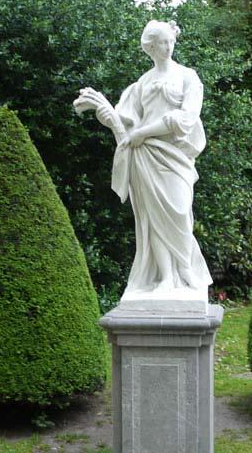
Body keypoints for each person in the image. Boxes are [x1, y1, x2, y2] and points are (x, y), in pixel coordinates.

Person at [74, 20, 212, 294]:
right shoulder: (141, 84)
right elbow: (127, 129)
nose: (168, 46)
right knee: (152, 218)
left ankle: (185, 271)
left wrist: (144, 133)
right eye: (161, 42)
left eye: (170, 40)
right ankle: (166, 278)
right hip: (145, 157)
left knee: (179, 211)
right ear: (150, 47)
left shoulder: (188, 77)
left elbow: (185, 119)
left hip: (174, 156)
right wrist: (109, 118)